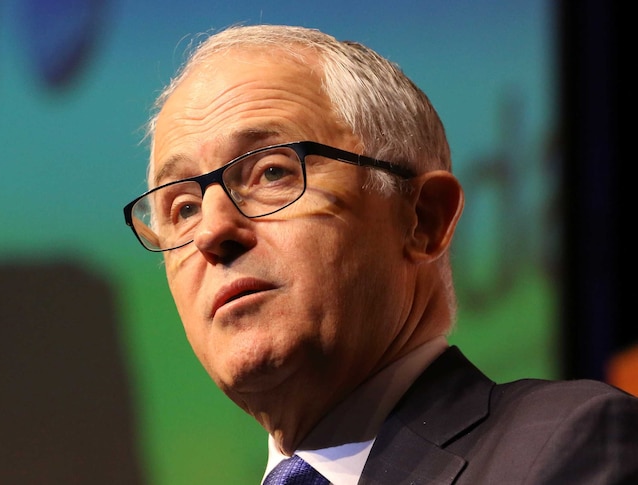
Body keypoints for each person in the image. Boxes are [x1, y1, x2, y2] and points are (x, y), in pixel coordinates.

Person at [122, 24, 638, 484]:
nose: (213, 230)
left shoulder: (565, 446)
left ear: (423, 219)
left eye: (272, 173)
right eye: (183, 207)